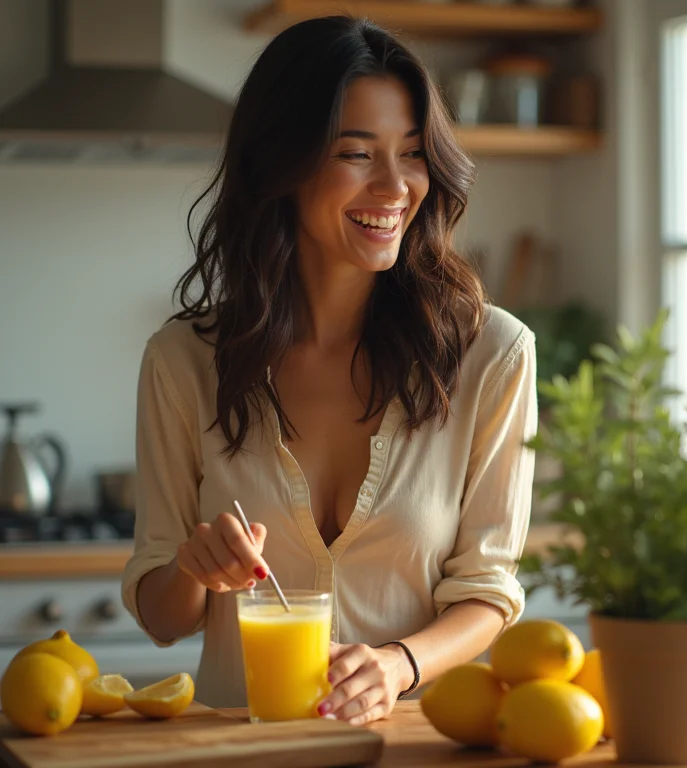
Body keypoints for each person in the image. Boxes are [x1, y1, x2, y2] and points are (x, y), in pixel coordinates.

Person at [121, 15, 538, 726]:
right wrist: (195, 570)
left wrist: (397, 664)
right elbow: (162, 619)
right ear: (280, 164)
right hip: (241, 752)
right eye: (355, 153)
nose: (396, 186)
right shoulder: (184, 361)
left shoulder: (491, 355)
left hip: (410, 748)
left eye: (411, 153)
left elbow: (488, 591)